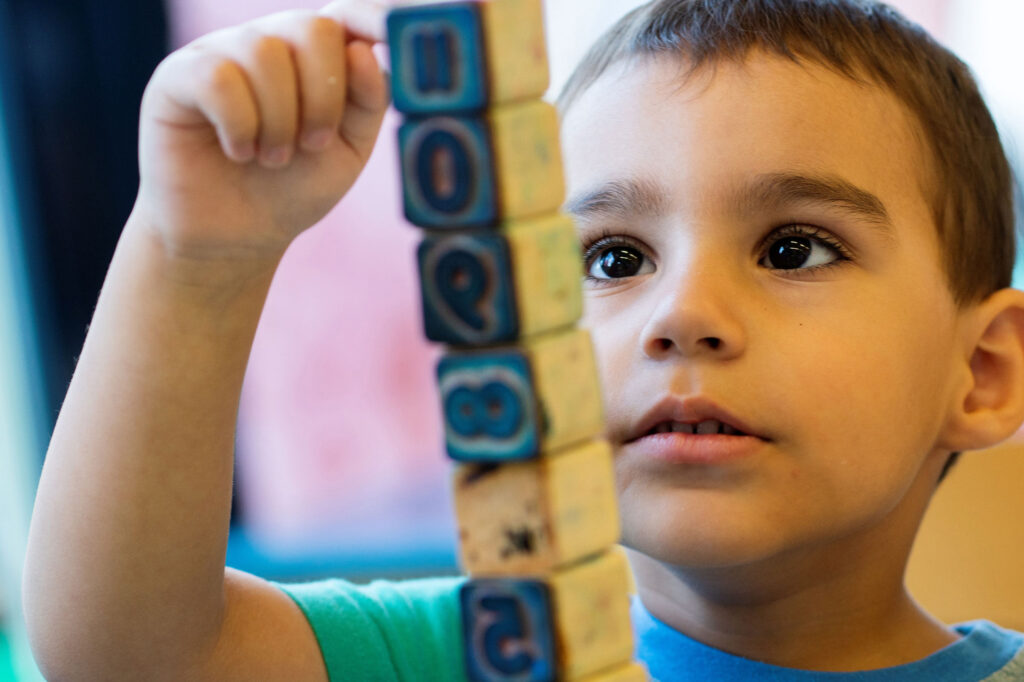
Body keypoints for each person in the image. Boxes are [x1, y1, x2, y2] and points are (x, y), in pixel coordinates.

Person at [22, 0, 1024, 679]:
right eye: (615, 258)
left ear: (981, 373)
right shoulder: (478, 652)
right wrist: (194, 255)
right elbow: (120, 651)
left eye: (795, 248)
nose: (681, 314)